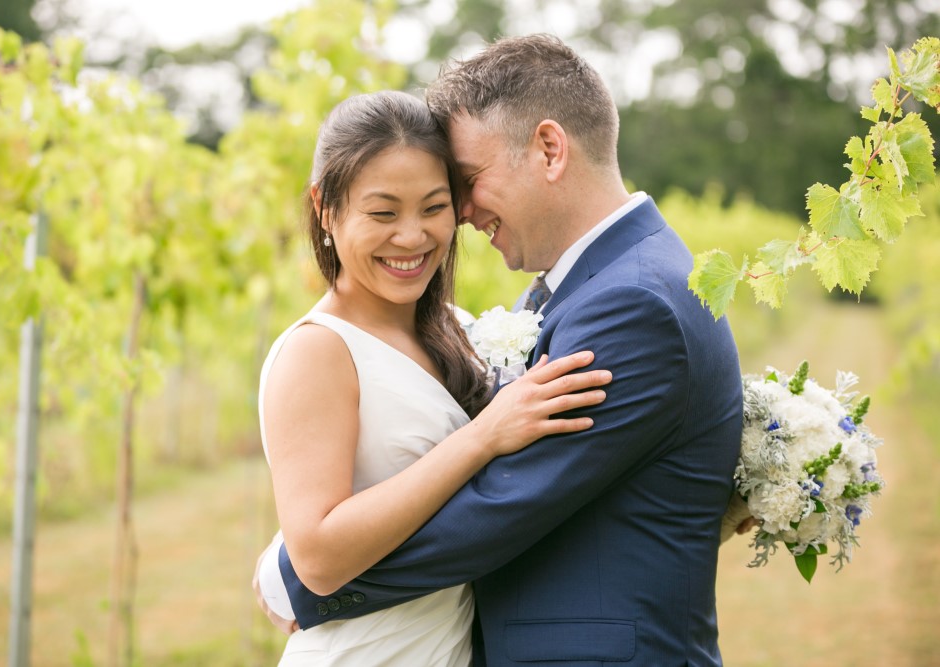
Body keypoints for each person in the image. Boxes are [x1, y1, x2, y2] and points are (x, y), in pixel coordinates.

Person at [263, 34, 745, 666]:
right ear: (326, 210)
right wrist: (310, 549)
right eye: (385, 210)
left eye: (461, 186)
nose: (457, 215)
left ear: (549, 148)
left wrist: (294, 580)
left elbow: (499, 506)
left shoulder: (630, 304)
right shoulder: (589, 287)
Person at [254, 89, 612, 665]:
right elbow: (318, 559)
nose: (413, 237)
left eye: (434, 206)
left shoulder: (461, 331)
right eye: (383, 212)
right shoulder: (318, 351)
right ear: (325, 208)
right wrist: (482, 436)